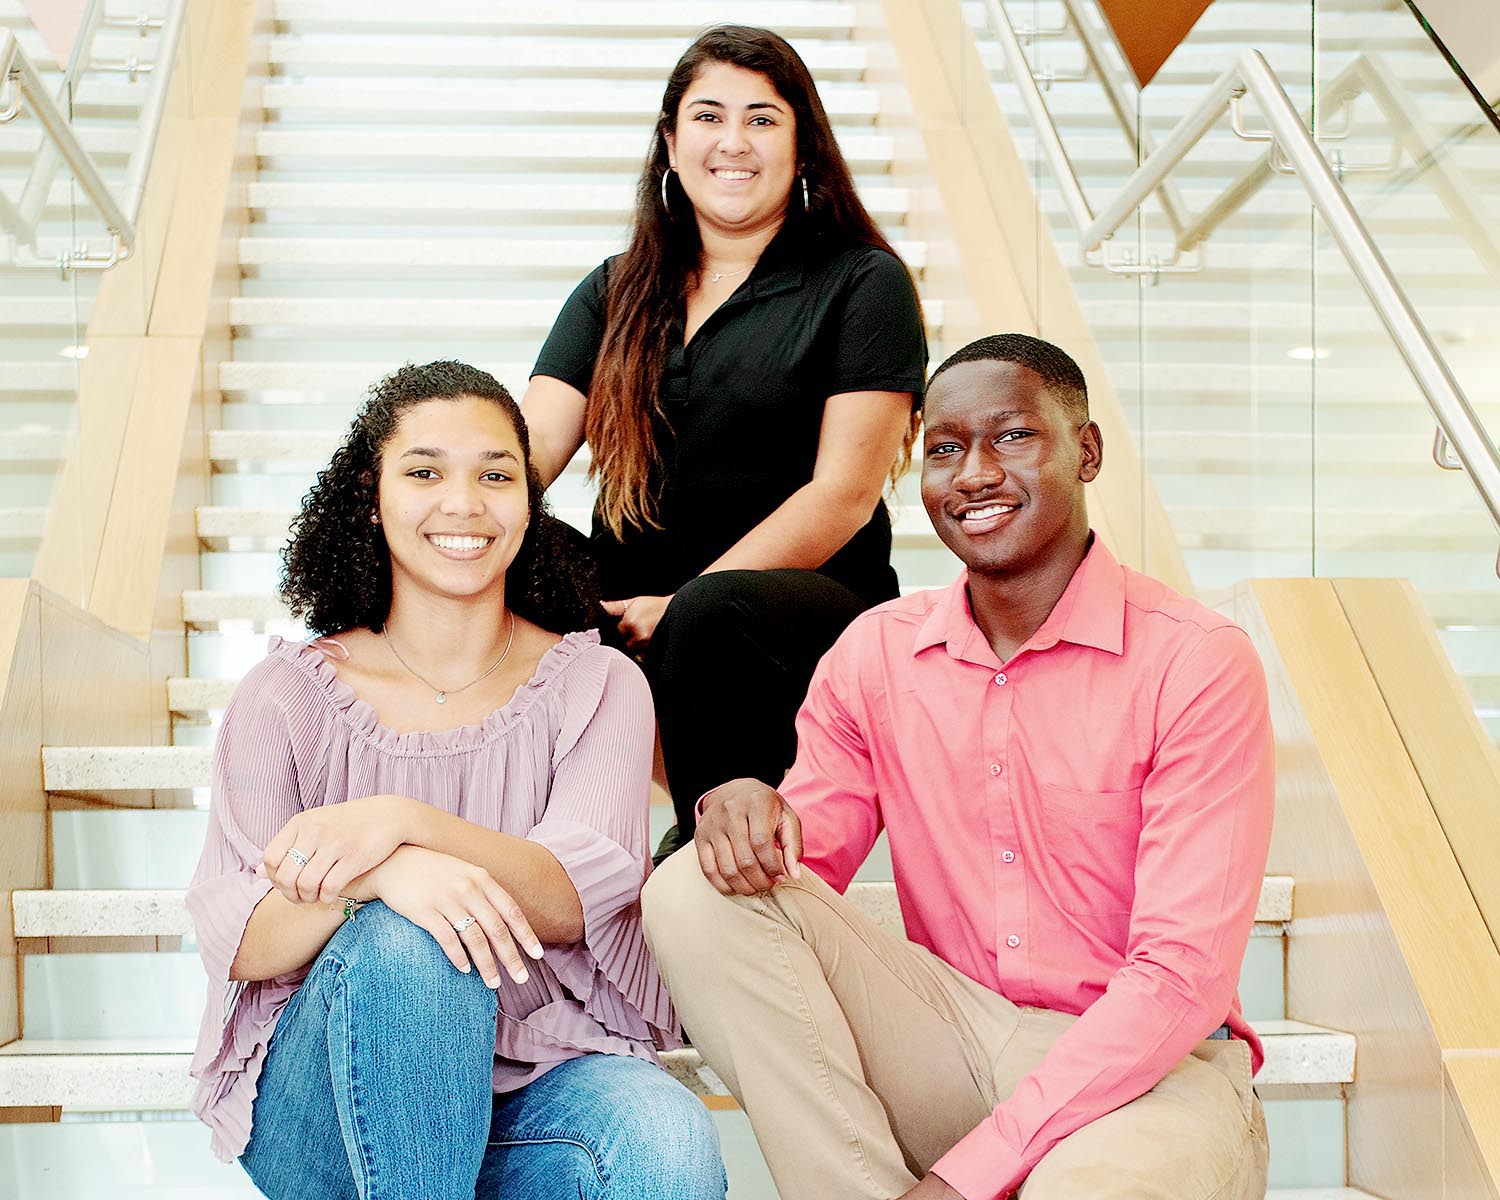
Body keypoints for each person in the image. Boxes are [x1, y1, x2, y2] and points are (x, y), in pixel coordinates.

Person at [642, 334, 1276, 1200]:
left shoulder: (1194, 661)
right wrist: (745, 812)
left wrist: (960, 1180)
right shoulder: (875, 652)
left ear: (1085, 452)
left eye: (1012, 437)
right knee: (695, 886)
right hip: (956, 1040)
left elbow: (1180, 978)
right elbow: (799, 878)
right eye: (945, 449)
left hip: (1152, 1075)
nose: (973, 473)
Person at [185, 362, 725, 1200]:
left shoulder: (599, 684)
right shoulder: (286, 695)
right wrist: (382, 876)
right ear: (372, 496)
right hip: (327, 1102)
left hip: (539, 1084)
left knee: (667, 1137)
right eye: (426, 471)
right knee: (414, 939)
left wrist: (404, 823)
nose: (464, 504)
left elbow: (571, 896)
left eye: (496, 475)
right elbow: (242, 935)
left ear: (528, 501)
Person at [522, 25, 928, 861]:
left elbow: (844, 493)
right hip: (638, 605)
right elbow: (523, 456)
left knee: (706, 616)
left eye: (763, 119)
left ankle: (711, 845)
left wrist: (678, 605)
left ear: (804, 145)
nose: (732, 142)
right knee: (505, 548)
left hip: (798, 606)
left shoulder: (862, 282)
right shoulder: (615, 289)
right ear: (671, 143)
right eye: (707, 117)